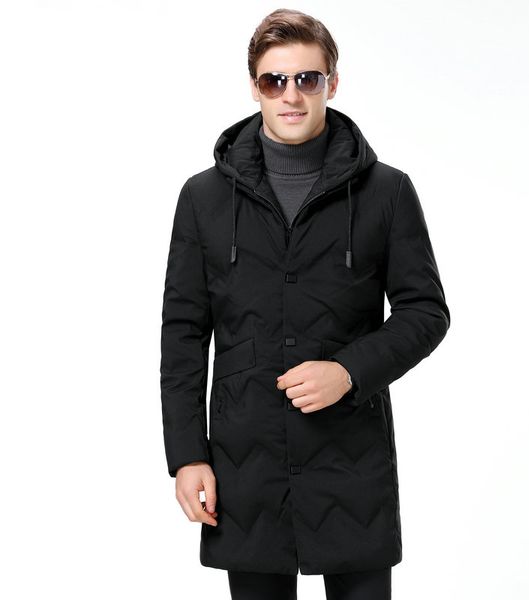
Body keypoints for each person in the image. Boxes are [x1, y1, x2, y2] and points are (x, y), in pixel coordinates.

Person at [160, 8, 450, 600]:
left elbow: (426, 312)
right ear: (255, 87)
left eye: (307, 79)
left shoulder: (387, 191)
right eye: (274, 80)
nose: (290, 95)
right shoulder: (203, 198)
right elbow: (183, 333)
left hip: (351, 459)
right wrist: (187, 455)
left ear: (331, 83)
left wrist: (348, 371)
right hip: (246, 461)